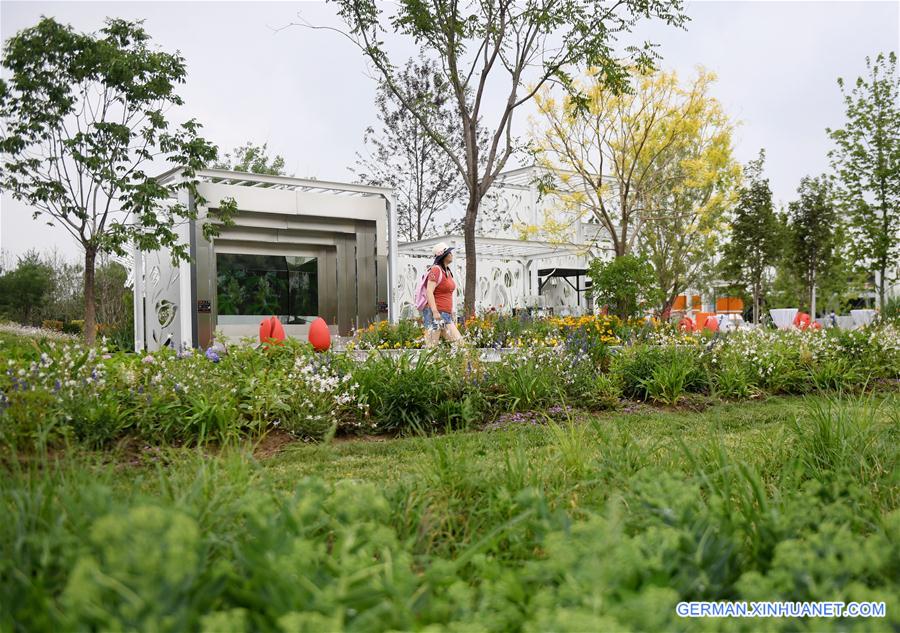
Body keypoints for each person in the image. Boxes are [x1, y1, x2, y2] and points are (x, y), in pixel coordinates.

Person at [422, 242, 462, 347]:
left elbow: (447, 294)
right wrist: (435, 312)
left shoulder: (448, 271)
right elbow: (429, 291)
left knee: (459, 345)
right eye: (449, 253)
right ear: (443, 256)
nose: (451, 255)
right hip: (434, 315)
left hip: (445, 315)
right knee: (431, 349)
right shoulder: (436, 270)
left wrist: (451, 311)